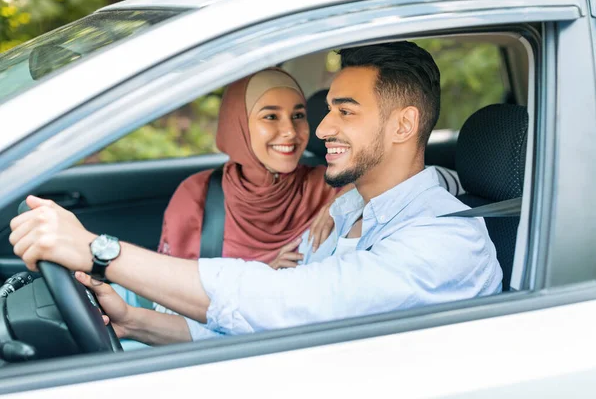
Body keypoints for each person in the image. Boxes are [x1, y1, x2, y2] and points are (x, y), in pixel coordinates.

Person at [9, 41, 502, 344]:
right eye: (327, 108)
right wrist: (136, 322)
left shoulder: (444, 244)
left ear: (404, 124)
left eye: (345, 111)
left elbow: (285, 305)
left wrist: (99, 252)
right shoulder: (346, 209)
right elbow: (257, 326)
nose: (322, 127)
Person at [157, 68, 338, 268]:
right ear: (238, 123)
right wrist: (264, 277)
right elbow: (174, 291)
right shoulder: (197, 195)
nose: (289, 131)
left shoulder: (330, 187)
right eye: (270, 117)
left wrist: (343, 200)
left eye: (298, 115)